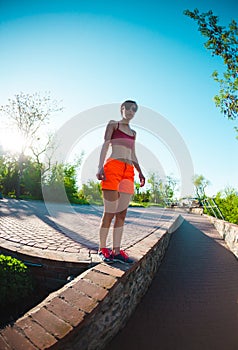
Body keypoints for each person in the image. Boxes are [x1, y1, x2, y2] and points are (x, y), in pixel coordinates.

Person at [96, 100, 145, 264]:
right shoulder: (114, 125)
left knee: (122, 214)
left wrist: (140, 171)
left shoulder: (133, 133)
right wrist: (99, 167)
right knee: (109, 212)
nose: (131, 111)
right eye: (128, 108)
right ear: (122, 109)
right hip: (113, 167)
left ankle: (116, 250)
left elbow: (134, 154)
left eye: (134, 109)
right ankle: (103, 248)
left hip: (128, 171)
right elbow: (105, 145)